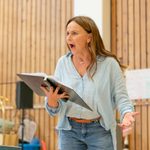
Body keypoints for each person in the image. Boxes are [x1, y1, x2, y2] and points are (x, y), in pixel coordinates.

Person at [41, 16, 138, 150]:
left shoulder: (109, 64)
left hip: (100, 131)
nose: (69, 38)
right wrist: (52, 101)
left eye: (74, 33)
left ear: (89, 37)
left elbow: (121, 96)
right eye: (67, 33)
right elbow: (54, 109)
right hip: (69, 132)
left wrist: (126, 113)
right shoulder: (62, 63)